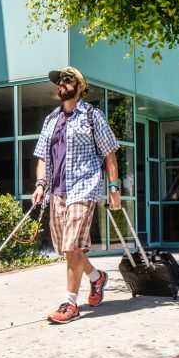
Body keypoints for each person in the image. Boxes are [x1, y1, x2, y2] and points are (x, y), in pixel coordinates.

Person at [31, 66, 121, 324]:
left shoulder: (93, 116)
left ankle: (70, 305)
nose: (61, 83)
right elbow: (41, 156)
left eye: (67, 79)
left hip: (84, 187)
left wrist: (113, 189)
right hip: (56, 192)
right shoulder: (51, 119)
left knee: (72, 246)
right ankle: (97, 277)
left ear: (80, 86)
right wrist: (40, 184)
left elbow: (110, 154)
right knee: (69, 249)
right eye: (59, 81)